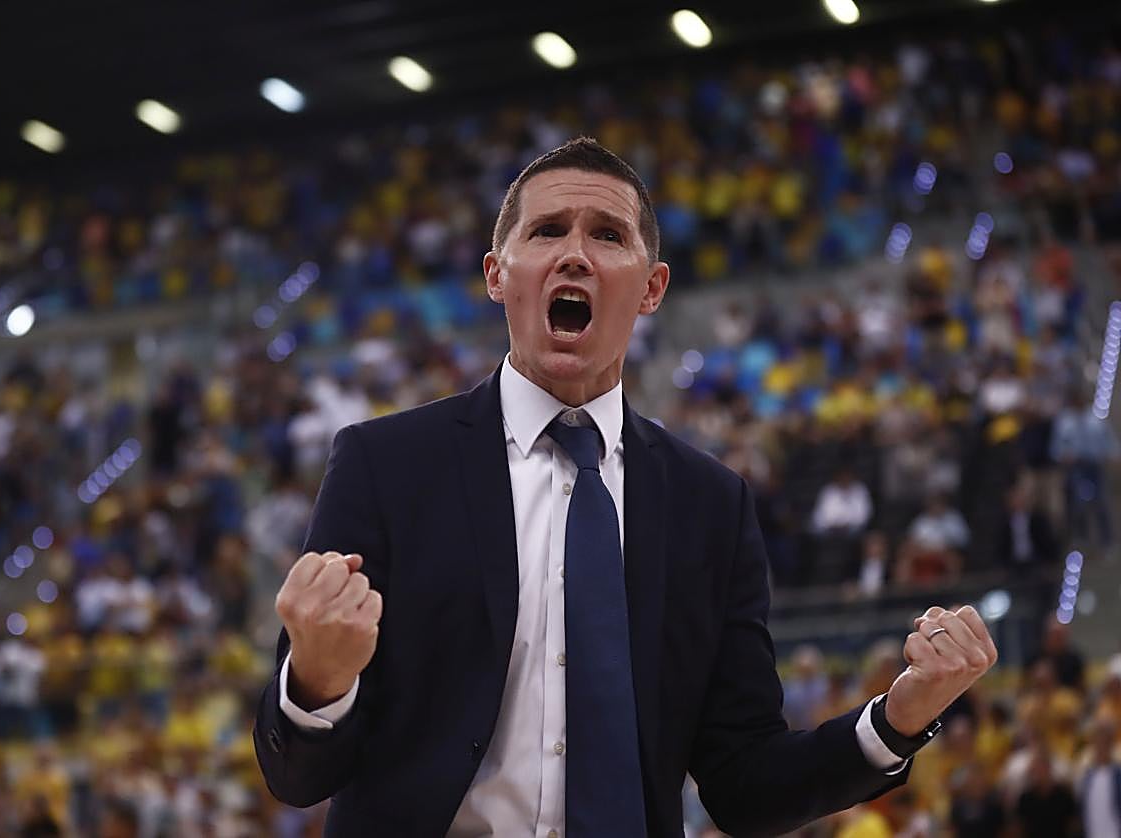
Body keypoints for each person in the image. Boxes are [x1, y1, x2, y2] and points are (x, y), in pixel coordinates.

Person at [253, 138, 998, 836]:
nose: (575, 253)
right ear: (496, 275)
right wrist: (317, 681)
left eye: (608, 235)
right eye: (547, 231)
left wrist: (897, 720)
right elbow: (297, 776)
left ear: (651, 287)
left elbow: (745, 784)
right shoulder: (385, 465)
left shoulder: (711, 505)